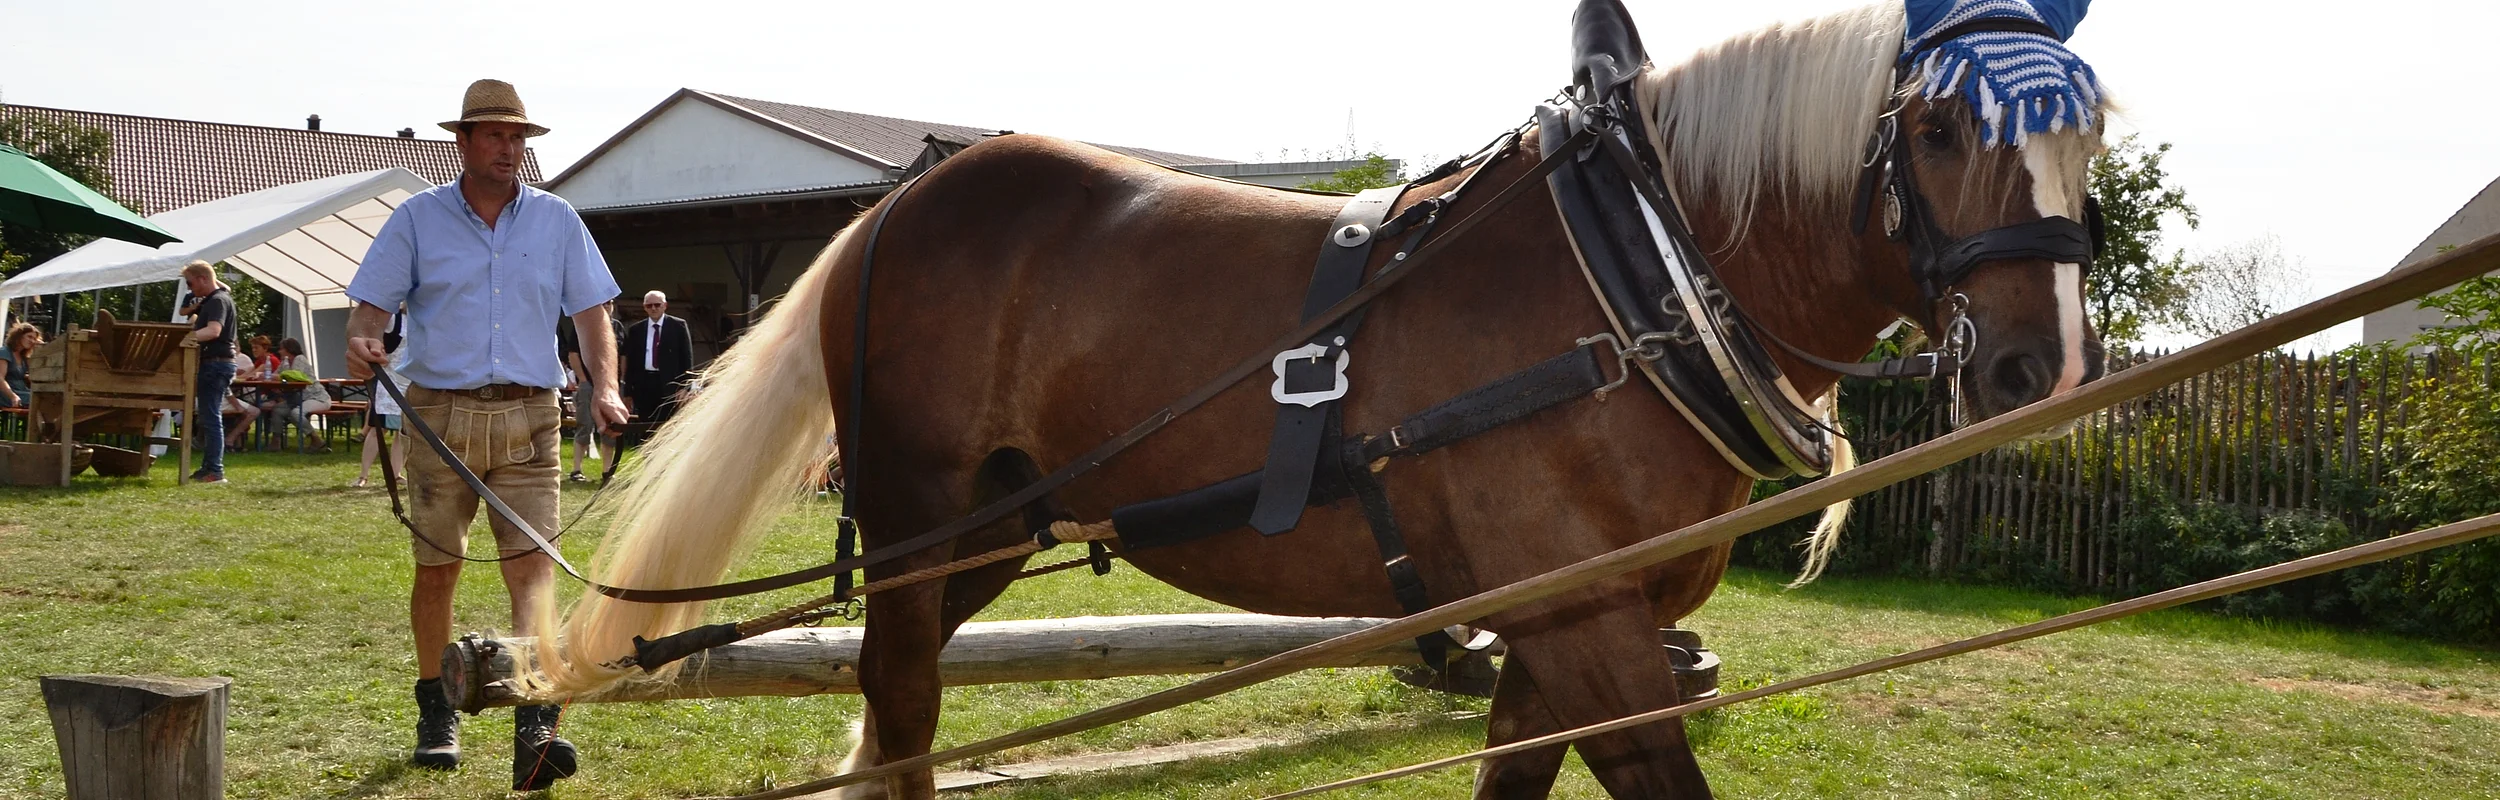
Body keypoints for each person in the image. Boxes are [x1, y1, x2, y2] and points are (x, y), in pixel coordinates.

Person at [343, 78, 624, 791]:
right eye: (495, 135)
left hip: (531, 415)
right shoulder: (417, 218)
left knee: (530, 569)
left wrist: (608, 388)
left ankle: (533, 715)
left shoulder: (557, 219)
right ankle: (437, 710)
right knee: (437, 566)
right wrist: (366, 340)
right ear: (462, 141)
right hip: (440, 417)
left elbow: (593, 318)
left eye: (518, 137)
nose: (510, 149)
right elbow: (367, 314)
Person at [181, 260, 240, 484]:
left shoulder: (217, 300)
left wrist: (182, 339)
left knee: (211, 418)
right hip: (217, 363)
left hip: (215, 364)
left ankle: (215, 471)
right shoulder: (216, 299)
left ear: (203, 279)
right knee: (208, 417)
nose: (189, 288)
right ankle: (209, 468)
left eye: (190, 282)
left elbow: (213, 331)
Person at [558, 299, 622, 481]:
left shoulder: (617, 327)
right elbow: (573, 354)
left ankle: (607, 471)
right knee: (584, 425)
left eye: (609, 303)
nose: (606, 307)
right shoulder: (582, 327)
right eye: (602, 304)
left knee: (611, 428)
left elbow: (623, 355)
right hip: (588, 384)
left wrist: (619, 381)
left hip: (611, 387)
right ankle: (576, 470)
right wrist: (584, 379)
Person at [620, 290, 692, 430]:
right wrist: (628, 392)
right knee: (646, 427)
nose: (653, 308)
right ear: (644, 307)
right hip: (644, 385)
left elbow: (687, 358)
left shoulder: (678, 326)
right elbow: (631, 363)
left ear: (665, 305)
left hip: (670, 384)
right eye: (649, 305)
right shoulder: (636, 330)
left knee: (667, 427)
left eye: (657, 305)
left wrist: (684, 387)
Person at [353, 310, 409, 488]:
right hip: (389, 381)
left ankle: (395, 473)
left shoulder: (420, 321)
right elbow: (369, 326)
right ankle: (363, 475)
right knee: (379, 429)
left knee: (403, 432)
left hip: (411, 384)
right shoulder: (395, 319)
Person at [270, 337, 331, 453]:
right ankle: (276, 442)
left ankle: (316, 439)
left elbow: (294, 377)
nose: (279, 351)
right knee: (277, 409)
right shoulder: (285, 362)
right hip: (298, 399)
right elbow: (275, 375)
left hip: (317, 398)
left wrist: (279, 377)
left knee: (296, 413)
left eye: (282, 349)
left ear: (289, 349)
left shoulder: (300, 359)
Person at [2, 322, 39, 409]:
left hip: (22, 391)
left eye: (34, 339)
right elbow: (0, 378)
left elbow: (29, 375)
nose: (32, 341)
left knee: (50, 398)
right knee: (41, 400)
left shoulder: (23, 357)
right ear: (19, 336)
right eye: (29, 337)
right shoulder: (5, 352)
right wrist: (13, 396)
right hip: (7, 393)